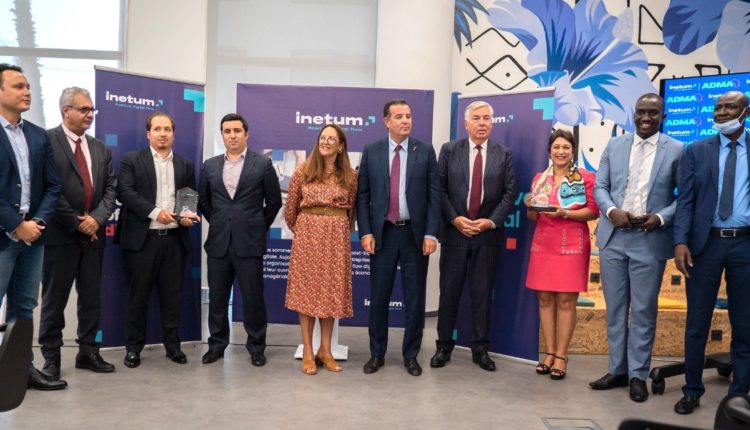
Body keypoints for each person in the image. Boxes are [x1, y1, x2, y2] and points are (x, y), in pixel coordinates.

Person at [591, 93, 683, 402]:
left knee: (643, 311)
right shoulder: (615, 145)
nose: (646, 118)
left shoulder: (677, 149)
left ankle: (637, 376)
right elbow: (600, 186)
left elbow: (684, 195)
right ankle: (617, 370)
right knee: (616, 309)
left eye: (653, 113)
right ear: (634, 114)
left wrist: (660, 217)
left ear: (662, 116)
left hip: (649, 239)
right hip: (613, 238)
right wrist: (610, 211)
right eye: (641, 112)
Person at [673, 90, 750, 414]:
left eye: (729, 107)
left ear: (745, 112)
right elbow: (686, 200)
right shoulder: (697, 150)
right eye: (718, 107)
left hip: (745, 244)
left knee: (744, 323)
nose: (721, 112)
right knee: (697, 322)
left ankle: (739, 395)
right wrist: (680, 242)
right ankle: (691, 390)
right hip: (705, 245)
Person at [357, 99, 441, 377]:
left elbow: (434, 196)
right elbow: (363, 196)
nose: (406, 120)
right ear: (387, 121)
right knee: (379, 296)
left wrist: (431, 233)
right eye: (399, 116)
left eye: (409, 115)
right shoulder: (372, 151)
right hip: (383, 234)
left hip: (414, 235)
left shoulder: (425, 151)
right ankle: (376, 354)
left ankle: (411, 355)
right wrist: (366, 231)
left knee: (414, 299)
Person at [38, 87, 117, 380]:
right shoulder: (46, 141)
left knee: (91, 297)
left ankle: (88, 352)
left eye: (91, 109)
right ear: (65, 111)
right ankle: (51, 358)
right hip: (60, 235)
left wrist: (96, 219)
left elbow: (111, 188)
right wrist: (75, 221)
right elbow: (47, 187)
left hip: (93, 236)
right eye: (83, 109)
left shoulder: (100, 148)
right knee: (54, 299)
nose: (89, 115)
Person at [430, 101, 515, 372]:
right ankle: (444, 346)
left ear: (492, 122)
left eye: (486, 118)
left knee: (482, 295)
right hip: (454, 234)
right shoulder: (449, 150)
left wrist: (490, 222)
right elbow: (439, 189)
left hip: (486, 237)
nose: (482, 123)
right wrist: (455, 219)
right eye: (476, 118)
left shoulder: (504, 154)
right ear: (466, 123)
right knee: (449, 293)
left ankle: (480, 349)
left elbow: (509, 193)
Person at [115, 111, 198, 368]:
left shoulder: (185, 164)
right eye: (158, 129)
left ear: (174, 134)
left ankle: (173, 346)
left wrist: (186, 217)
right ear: (148, 134)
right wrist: (154, 212)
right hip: (142, 241)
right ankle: (133, 348)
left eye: (167, 129)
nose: (163, 134)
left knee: (172, 297)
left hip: (174, 240)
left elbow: (187, 197)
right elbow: (125, 192)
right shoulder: (131, 160)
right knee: (138, 296)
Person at [198, 113, 282, 366]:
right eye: (227, 131)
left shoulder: (262, 164)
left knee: (253, 298)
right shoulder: (210, 166)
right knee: (217, 298)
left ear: (246, 134)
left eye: (237, 131)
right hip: (219, 242)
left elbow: (274, 202)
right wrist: (221, 221)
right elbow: (204, 202)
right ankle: (216, 345)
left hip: (250, 242)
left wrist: (256, 225)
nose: (232, 135)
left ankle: (256, 347)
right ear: (222, 135)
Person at [0, 63, 64, 390]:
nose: (27, 92)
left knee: (24, 307)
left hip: (33, 237)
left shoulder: (38, 135)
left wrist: (36, 222)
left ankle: (20, 371)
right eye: (18, 86)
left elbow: (53, 186)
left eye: (27, 86)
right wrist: (15, 225)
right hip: (3, 236)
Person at [523, 129, 598, 380]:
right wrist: (530, 205)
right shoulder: (539, 179)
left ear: (572, 151)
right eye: (556, 147)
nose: (561, 151)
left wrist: (565, 213)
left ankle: (562, 356)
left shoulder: (586, 178)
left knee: (566, 301)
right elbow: (533, 217)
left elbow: (593, 211)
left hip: (572, 245)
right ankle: (549, 352)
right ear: (549, 151)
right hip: (544, 244)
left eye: (566, 147)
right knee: (545, 300)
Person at [284, 124, 357, 375]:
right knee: (306, 294)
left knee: (330, 293)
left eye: (331, 139)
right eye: (322, 137)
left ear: (341, 146)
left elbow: (352, 211)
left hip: (336, 239)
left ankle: (325, 350)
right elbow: (290, 210)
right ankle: (308, 350)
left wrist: (335, 227)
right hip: (307, 237)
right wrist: (308, 229)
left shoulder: (350, 176)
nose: (325, 142)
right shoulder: (303, 171)